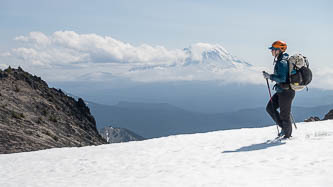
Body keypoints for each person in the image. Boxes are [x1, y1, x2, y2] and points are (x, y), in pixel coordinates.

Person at [263, 40, 295, 139]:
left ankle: (287, 136)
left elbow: (282, 78)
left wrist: (269, 76)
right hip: (282, 90)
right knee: (270, 108)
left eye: (273, 49)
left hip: (286, 92)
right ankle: (284, 129)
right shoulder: (281, 60)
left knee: (284, 115)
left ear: (278, 50)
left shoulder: (282, 62)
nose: (271, 51)